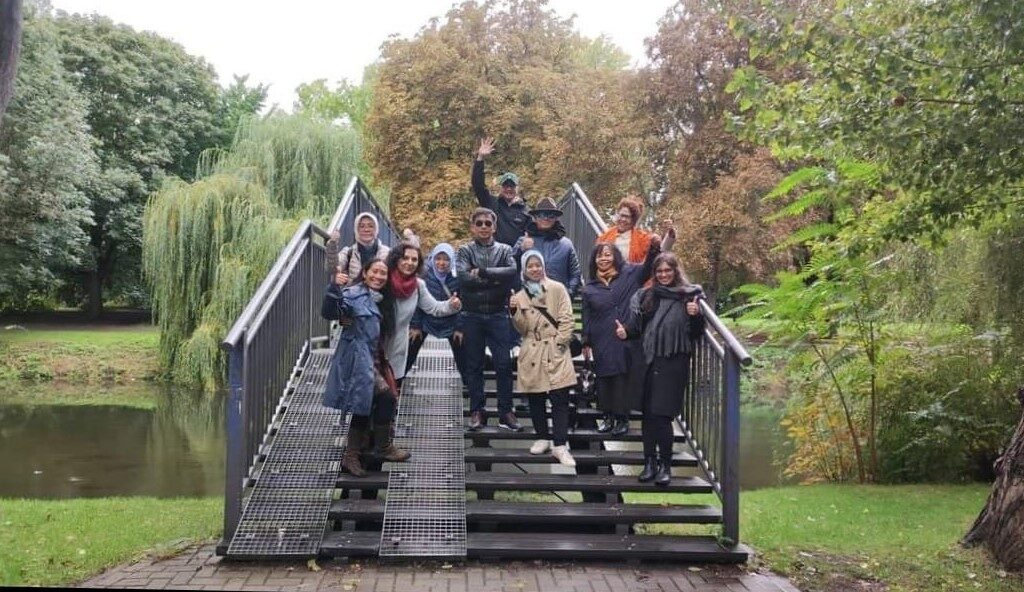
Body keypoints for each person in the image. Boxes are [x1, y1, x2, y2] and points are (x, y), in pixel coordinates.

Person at [616, 252, 705, 487]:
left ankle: (665, 466)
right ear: (654, 275)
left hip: (673, 361)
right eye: (659, 272)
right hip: (648, 360)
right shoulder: (649, 296)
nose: (664, 275)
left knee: (662, 415)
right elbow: (638, 328)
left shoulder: (689, 296)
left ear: (676, 272)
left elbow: (696, 333)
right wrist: (626, 332)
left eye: (668, 271)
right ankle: (649, 463)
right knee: (647, 415)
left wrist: (695, 317)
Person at [321, 259, 408, 477]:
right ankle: (381, 447)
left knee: (365, 405)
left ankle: (353, 456)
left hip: (374, 358)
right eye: (374, 272)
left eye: (383, 274)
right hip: (358, 359)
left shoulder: (383, 300)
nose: (378, 277)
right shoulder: (352, 294)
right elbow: (330, 312)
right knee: (384, 398)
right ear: (365, 272)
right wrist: (334, 287)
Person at [581, 236, 663, 437]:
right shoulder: (589, 287)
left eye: (608, 255)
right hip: (601, 336)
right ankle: (607, 417)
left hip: (625, 335)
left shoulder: (629, 274)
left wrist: (654, 248)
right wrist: (586, 341)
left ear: (615, 257)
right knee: (604, 377)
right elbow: (586, 315)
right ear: (594, 261)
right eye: (599, 256)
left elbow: (648, 267)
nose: (604, 259)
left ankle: (622, 418)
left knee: (621, 377)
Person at [510, 250, 578, 467]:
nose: (534, 269)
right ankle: (542, 437)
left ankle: (560, 444)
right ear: (524, 269)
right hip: (532, 347)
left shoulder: (557, 288)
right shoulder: (520, 296)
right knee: (535, 397)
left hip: (555, 347)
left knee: (559, 397)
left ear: (543, 266)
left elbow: (567, 318)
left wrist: (560, 343)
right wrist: (514, 312)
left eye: (537, 265)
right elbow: (523, 329)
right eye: (529, 266)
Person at [457, 207, 520, 431]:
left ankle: (506, 411)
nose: (484, 227)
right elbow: (464, 278)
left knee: (503, 364)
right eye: (479, 223)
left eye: (488, 223)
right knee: (474, 365)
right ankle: (477, 410)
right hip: (472, 315)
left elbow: (511, 273)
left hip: (497, 315)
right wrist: (495, 278)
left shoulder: (504, 250)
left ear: (494, 227)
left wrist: (482, 273)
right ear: (473, 226)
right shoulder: (464, 250)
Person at [382, 241, 461, 387]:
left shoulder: (418, 285)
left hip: (398, 343)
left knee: (390, 388)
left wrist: (452, 305)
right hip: (377, 342)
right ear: (396, 258)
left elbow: (434, 308)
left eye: (414, 259)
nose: (409, 263)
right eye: (405, 258)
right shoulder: (383, 279)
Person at [407, 243, 466, 380]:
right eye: (438, 258)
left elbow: (465, 304)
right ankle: (396, 383)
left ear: (451, 261)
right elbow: (417, 301)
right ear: (432, 259)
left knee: (463, 352)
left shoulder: (458, 278)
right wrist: (415, 325)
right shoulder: (424, 276)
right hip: (427, 321)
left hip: (451, 323)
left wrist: (459, 327)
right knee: (410, 348)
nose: (441, 263)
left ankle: (469, 384)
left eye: (446, 259)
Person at [511, 197, 582, 297]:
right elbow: (512, 267)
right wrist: (520, 250)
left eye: (551, 215)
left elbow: (575, 273)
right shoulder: (523, 241)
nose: (546, 218)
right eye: (541, 214)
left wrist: (568, 293)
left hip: (558, 299)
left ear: (556, 218)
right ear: (535, 217)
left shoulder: (566, 244)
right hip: (530, 299)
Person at [472, 137, 530, 246]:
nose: (508, 189)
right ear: (501, 187)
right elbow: (478, 185)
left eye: (512, 186)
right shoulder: (491, 203)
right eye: (505, 186)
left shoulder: (525, 211)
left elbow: (531, 235)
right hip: (494, 258)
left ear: (517, 188)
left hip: (515, 259)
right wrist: (480, 158)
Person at [597, 196, 680, 264]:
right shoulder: (605, 237)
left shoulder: (642, 238)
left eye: (627, 217)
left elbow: (660, 251)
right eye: (621, 215)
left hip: (632, 281)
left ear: (633, 220)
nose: (622, 219)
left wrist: (668, 235)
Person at [326, 212, 392, 285]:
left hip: (380, 294)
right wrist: (332, 246)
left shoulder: (387, 252)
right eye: (361, 226)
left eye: (370, 226)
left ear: (376, 229)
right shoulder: (348, 252)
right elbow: (333, 268)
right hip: (354, 295)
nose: (366, 230)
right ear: (356, 230)